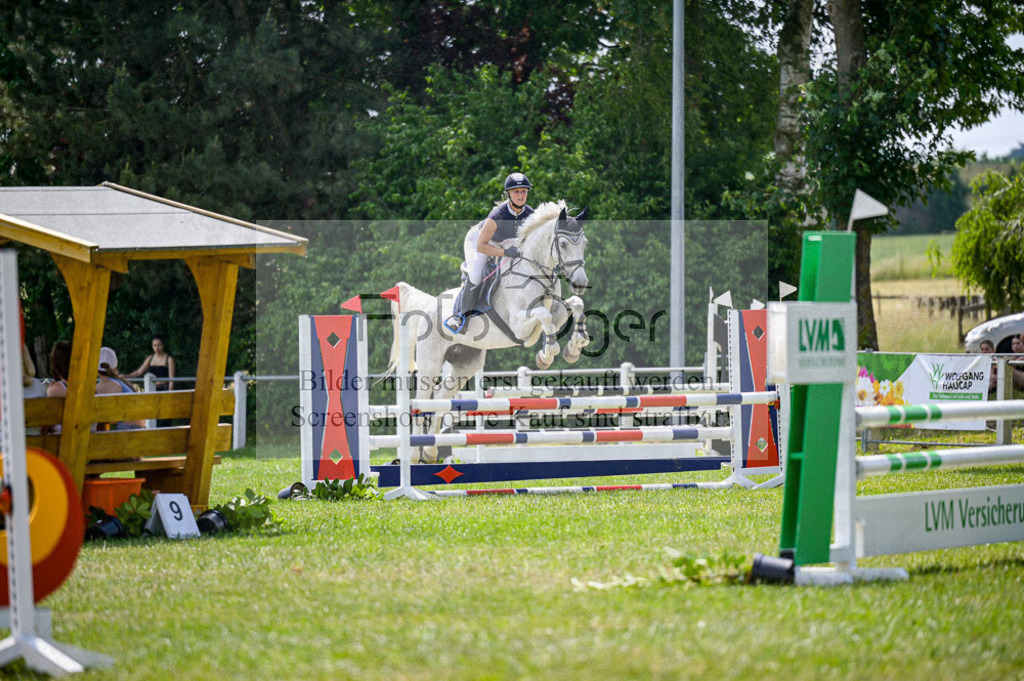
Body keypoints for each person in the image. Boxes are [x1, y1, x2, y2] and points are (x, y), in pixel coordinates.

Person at [446, 172, 534, 332]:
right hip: (479, 242)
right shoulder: (497, 216)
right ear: (508, 194)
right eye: (516, 191)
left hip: (506, 243)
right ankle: (458, 316)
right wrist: (506, 253)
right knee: (476, 274)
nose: (521, 196)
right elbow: (481, 245)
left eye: (524, 191)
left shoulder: (530, 214)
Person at [127, 335, 175, 426]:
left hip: (164, 389)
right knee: (153, 415)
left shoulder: (169, 359)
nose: (157, 348)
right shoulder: (150, 358)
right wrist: (126, 377)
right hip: (153, 390)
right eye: (155, 345)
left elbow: (171, 378)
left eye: (159, 345)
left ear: (163, 345)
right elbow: (139, 372)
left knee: (164, 417)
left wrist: (170, 393)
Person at [96, 346, 144, 430]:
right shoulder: (120, 382)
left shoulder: (103, 385)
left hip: (128, 430)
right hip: (140, 429)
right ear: (115, 366)